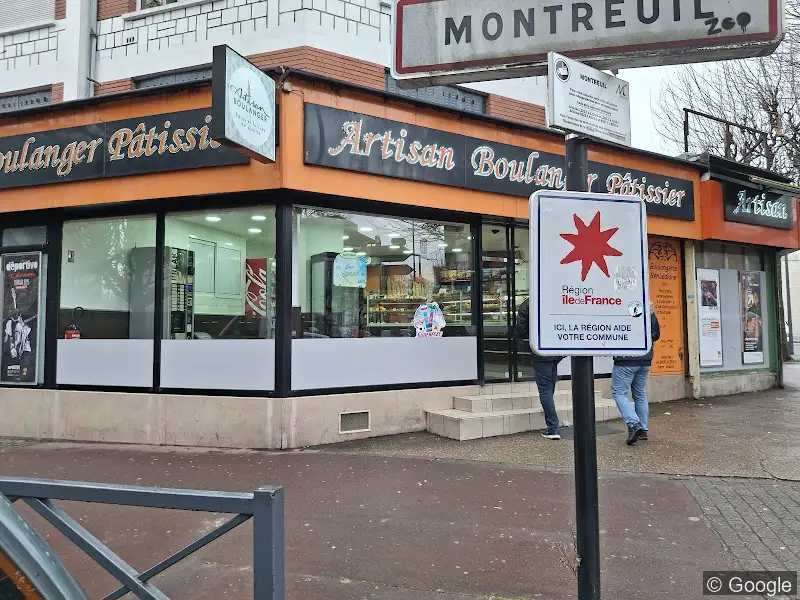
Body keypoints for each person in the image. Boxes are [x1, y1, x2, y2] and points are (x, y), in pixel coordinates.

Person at [612, 304, 661, 445]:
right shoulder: (648, 309)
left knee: (618, 392)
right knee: (640, 393)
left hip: (626, 359)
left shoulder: (620, 310)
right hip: (645, 359)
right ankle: (643, 430)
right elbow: (656, 335)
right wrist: (651, 313)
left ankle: (634, 424)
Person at [516, 298, 565, 440]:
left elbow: (521, 328)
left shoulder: (528, 303)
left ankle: (553, 427)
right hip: (556, 348)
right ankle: (552, 420)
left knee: (545, 389)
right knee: (550, 386)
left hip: (541, 349)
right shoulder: (553, 299)